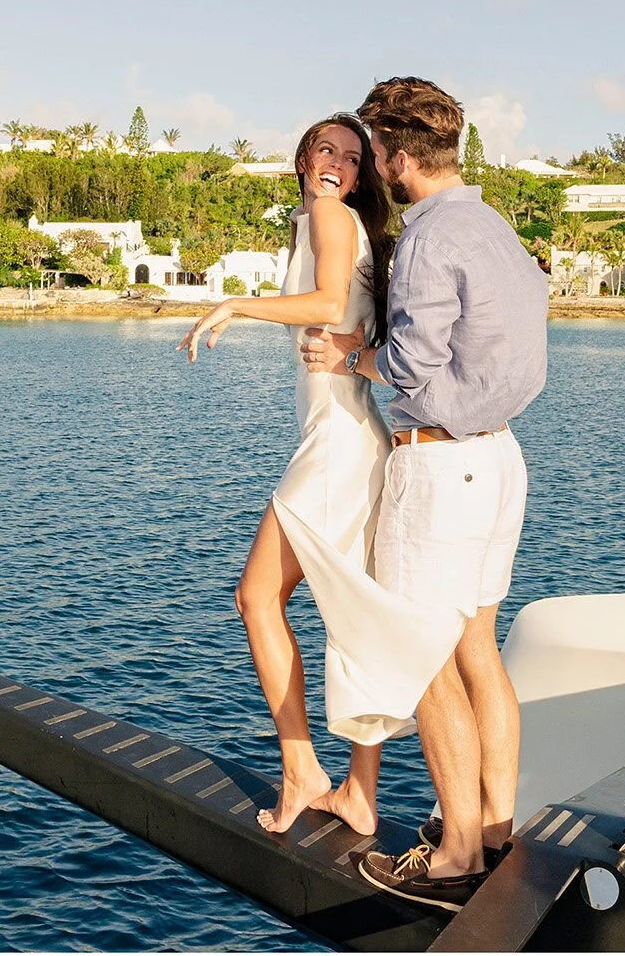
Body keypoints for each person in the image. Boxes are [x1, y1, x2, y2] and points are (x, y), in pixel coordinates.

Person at [302, 76, 548, 912]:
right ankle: (495, 831)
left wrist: (350, 356)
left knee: (429, 659)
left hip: (440, 466)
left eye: (372, 149)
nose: (370, 162)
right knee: (479, 647)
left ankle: (453, 855)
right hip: (501, 458)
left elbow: (407, 365)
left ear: (400, 156)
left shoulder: (429, 238)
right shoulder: (493, 227)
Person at [177, 114, 453, 837]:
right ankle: (359, 791)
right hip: (351, 438)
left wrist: (235, 304)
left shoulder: (331, 216)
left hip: (338, 445)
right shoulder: (323, 224)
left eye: (352, 157)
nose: (336, 163)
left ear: (359, 178)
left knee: (256, 595)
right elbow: (360, 319)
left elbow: (330, 304)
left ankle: (302, 767)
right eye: (326, 149)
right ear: (301, 157)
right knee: (350, 612)